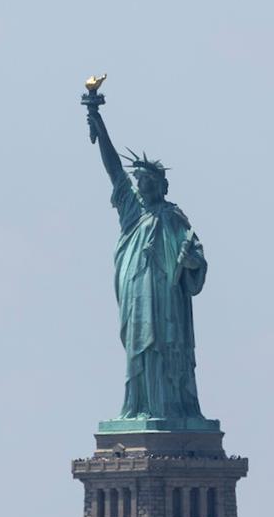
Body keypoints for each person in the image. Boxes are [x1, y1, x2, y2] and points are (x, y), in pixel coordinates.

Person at [86, 105, 208, 422]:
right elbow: (114, 170)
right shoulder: (132, 211)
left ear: (161, 186)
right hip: (136, 293)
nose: (142, 186)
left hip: (167, 299)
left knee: (165, 346)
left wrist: (192, 260)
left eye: (148, 181)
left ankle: (168, 407)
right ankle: (140, 406)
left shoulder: (173, 217)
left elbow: (196, 258)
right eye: (140, 181)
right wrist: (100, 126)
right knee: (139, 346)